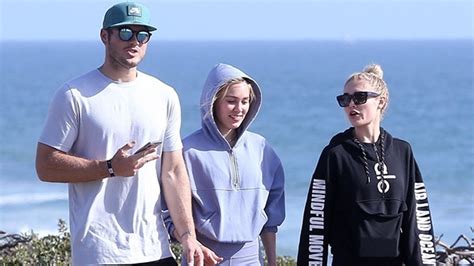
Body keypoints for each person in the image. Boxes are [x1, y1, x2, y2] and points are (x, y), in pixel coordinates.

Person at [35, 2, 203, 265]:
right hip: (99, 253)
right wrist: (109, 167)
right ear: (105, 36)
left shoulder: (164, 95)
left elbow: (173, 171)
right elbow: (45, 166)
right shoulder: (74, 95)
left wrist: (188, 236)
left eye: (142, 35)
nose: (134, 41)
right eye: (125, 32)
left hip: (155, 250)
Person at [297, 64, 436, 266]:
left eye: (359, 98)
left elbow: (418, 220)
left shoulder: (402, 152)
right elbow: (316, 223)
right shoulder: (335, 155)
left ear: (382, 101)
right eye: (345, 99)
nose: (351, 104)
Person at [164, 63, 286, 265]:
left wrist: (272, 262)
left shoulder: (262, 148)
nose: (239, 109)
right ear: (213, 102)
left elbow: (271, 216)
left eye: (245, 101)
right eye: (231, 101)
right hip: (203, 259)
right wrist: (191, 242)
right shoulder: (187, 151)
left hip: (251, 259)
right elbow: (167, 211)